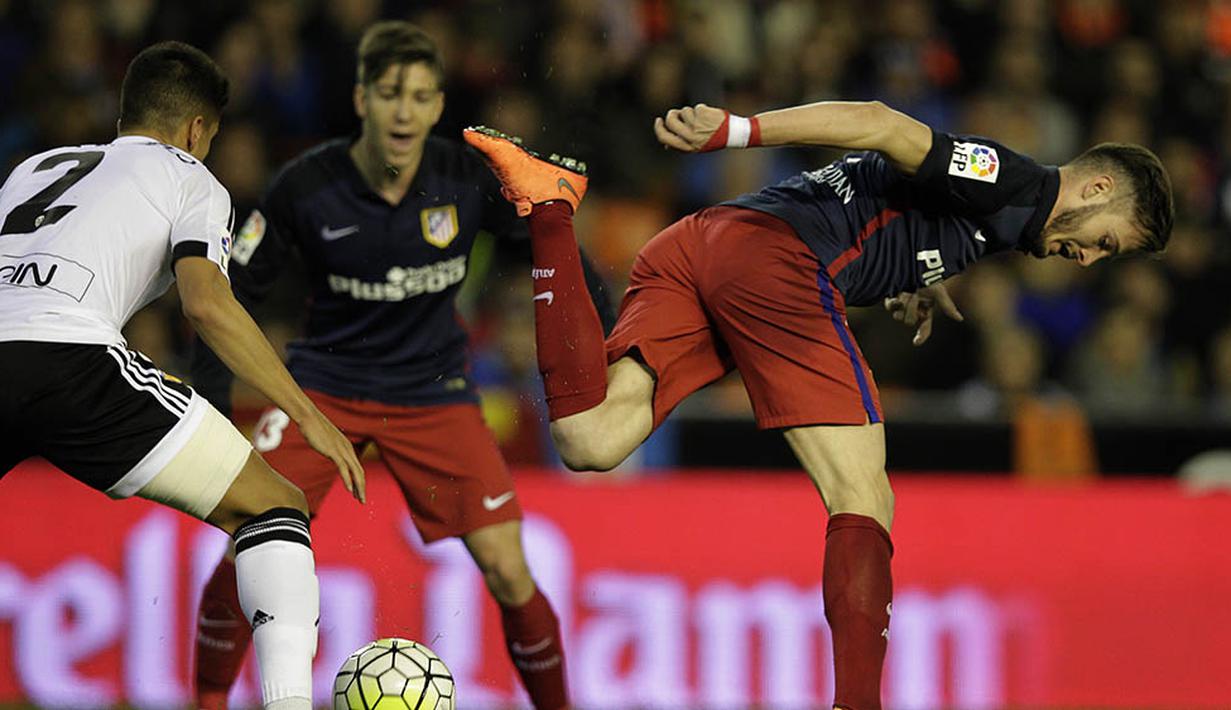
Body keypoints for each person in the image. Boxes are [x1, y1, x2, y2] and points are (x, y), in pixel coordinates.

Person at [463, 98, 1174, 710]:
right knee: (861, 490)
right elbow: (877, 124)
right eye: (1103, 242)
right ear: (1095, 187)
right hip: (775, 264)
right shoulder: (1013, 180)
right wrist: (735, 132)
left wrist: (912, 270)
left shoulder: (1003, 219)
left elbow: (895, 202)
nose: (1088, 261)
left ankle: (548, 210)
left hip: (700, 245)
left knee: (591, 440)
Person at [190, 22, 610, 710]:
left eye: (419, 96)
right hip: (322, 390)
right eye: (390, 94)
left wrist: (604, 322)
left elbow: (550, 242)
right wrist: (209, 399)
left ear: (439, 105)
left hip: (434, 391)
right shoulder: (305, 185)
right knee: (246, 548)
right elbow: (226, 296)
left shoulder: (467, 178)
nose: (404, 112)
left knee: (509, 571)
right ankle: (204, 701)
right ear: (362, 99)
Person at [0, 42, 365, 710]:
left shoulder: (31, 169)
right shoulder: (191, 179)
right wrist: (306, 413)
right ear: (199, 129)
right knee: (273, 505)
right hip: (70, 357)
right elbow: (206, 304)